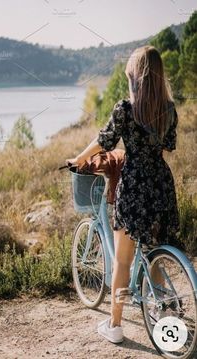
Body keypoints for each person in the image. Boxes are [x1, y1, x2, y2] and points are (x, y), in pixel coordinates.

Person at [65, 45, 180, 344]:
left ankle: (115, 326)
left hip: (134, 187)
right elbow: (167, 148)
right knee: (155, 256)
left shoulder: (125, 109)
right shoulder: (169, 109)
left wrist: (79, 159)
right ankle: (166, 318)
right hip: (161, 186)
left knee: (123, 263)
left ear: (136, 76)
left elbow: (103, 141)